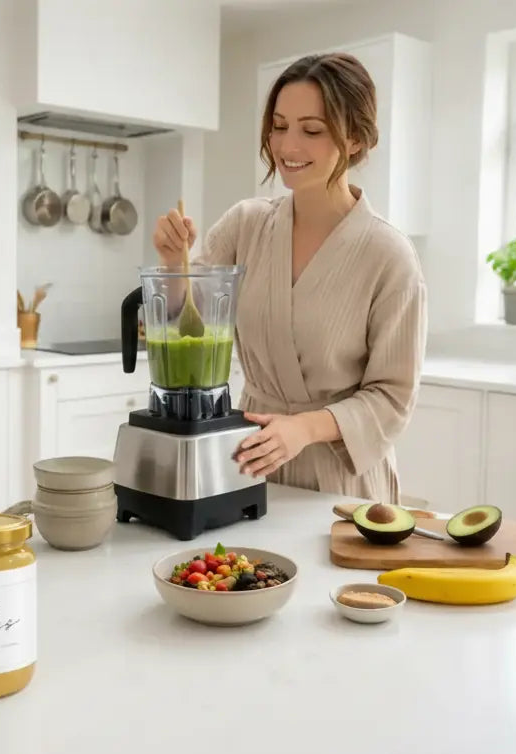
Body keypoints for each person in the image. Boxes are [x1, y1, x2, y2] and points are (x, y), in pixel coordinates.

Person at [152, 51, 427, 504]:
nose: (287, 146)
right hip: (248, 462)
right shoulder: (246, 225)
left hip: (341, 480)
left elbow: (392, 398)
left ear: (356, 139)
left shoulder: (389, 255)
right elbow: (189, 328)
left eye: (312, 130)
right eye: (279, 126)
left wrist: (303, 428)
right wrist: (172, 261)